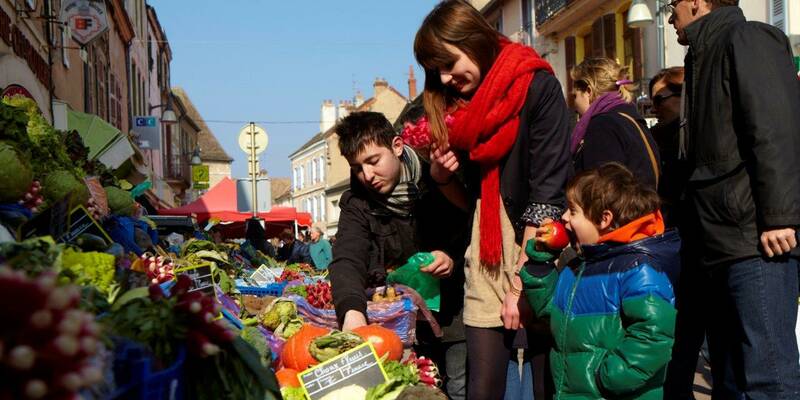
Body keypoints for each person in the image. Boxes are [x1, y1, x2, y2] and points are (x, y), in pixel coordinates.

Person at [414, 1, 572, 398]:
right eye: (438, 71)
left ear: (472, 41)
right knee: (482, 389)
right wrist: (441, 177)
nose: (446, 78)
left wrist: (523, 281)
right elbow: (471, 206)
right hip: (483, 260)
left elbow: (547, 194)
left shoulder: (536, 85)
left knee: (545, 387)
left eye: (449, 64)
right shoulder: (461, 112)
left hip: (538, 256)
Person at [669, 0, 800, 398]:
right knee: (731, 379)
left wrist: (779, 216)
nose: (669, 13)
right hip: (717, 242)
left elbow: (774, 129)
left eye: (672, 3)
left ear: (697, 1)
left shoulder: (746, 38)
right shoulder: (701, 54)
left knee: (768, 376)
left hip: (754, 239)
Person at [328, 111, 469, 399]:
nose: (367, 176)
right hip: (399, 327)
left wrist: (451, 257)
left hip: (455, 317)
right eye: (357, 168)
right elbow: (347, 258)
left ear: (397, 146)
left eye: (373, 161)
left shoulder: (438, 179)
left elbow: (469, 224)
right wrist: (352, 311)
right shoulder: (356, 204)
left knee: (459, 389)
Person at [521, 163, 678, 399]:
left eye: (573, 211)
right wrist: (540, 263)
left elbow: (653, 336)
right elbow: (550, 311)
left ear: (604, 219)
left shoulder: (640, 270)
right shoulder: (578, 266)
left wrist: (608, 377)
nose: (563, 218)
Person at [570, 58, 661, 190]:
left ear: (589, 91)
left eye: (575, 96)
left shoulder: (603, 125)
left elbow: (601, 190)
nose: (574, 105)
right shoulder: (630, 119)